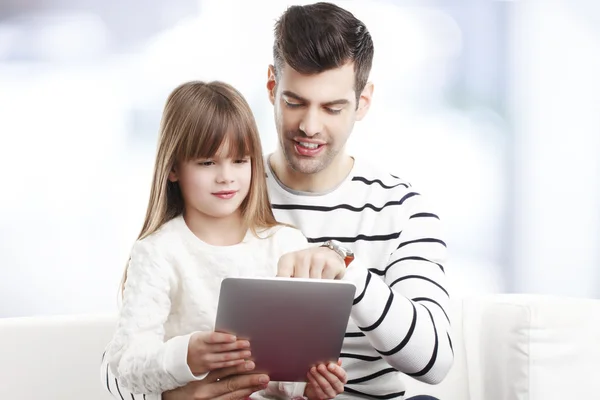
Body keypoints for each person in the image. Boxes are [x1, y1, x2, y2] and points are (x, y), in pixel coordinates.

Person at [102, 2, 453, 399]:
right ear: (272, 86)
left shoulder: (401, 210)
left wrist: (348, 275)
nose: (309, 126)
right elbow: (119, 370)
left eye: (332, 108)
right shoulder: (224, 195)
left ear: (363, 102)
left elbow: (435, 362)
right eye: (295, 102)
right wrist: (180, 397)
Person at [102, 80, 350, 400]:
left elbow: (285, 375)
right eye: (207, 162)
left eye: (239, 160)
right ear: (174, 168)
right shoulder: (158, 252)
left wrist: (312, 386)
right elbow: (128, 364)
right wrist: (187, 356)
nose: (226, 177)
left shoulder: (285, 244)